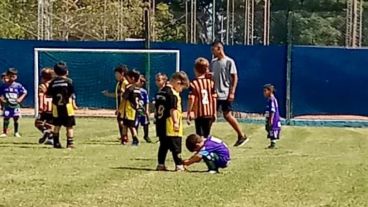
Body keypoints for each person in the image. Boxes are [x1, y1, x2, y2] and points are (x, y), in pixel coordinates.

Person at [210, 41, 249, 147]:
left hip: (225, 93)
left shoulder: (229, 62)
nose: (212, 52)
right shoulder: (213, 62)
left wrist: (232, 92)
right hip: (215, 94)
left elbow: (234, 77)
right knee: (210, 115)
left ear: (219, 48)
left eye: (213, 49)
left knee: (227, 115)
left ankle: (241, 135)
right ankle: (205, 137)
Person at [155, 71, 189, 171]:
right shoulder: (173, 94)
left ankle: (160, 164)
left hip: (160, 123)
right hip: (170, 124)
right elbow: (173, 109)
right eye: (182, 87)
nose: (181, 90)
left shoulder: (161, 91)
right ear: (178, 82)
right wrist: (176, 122)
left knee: (163, 145)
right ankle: (179, 165)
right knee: (176, 145)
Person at [47, 62, 77, 149]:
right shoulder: (68, 81)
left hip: (56, 107)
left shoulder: (53, 82)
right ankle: (70, 143)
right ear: (66, 72)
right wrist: (74, 104)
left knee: (57, 125)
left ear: (55, 73)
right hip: (67, 106)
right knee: (69, 126)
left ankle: (56, 142)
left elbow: (49, 94)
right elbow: (72, 93)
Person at [187, 57, 217, 138]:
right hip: (209, 112)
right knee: (207, 136)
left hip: (199, 114)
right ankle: (208, 149)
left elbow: (191, 98)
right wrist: (214, 112)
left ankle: (202, 150)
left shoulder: (193, 84)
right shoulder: (211, 83)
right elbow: (214, 98)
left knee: (199, 136)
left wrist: (189, 112)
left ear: (195, 70)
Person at [102, 65, 129, 143]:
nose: (116, 75)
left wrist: (120, 108)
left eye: (117, 74)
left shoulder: (125, 83)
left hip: (124, 107)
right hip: (120, 106)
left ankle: (125, 137)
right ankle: (123, 136)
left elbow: (125, 96)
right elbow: (118, 95)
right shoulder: (119, 83)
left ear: (122, 73)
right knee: (120, 121)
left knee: (123, 122)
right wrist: (108, 94)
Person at [0, 68, 27, 138]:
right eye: (11, 76)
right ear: (8, 76)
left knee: (16, 118)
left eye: (15, 75)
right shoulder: (4, 86)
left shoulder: (18, 85)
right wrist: (2, 100)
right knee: (6, 118)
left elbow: (24, 92)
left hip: (15, 105)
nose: (13, 77)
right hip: (7, 105)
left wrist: (20, 98)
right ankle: (4, 132)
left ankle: (16, 132)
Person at [119, 69, 142, 146]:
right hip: (135, 110)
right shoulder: (138, 89)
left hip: (129, 110)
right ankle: (124, 138)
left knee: (130, 126)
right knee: (126, 125)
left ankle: (135, 139)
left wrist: (120, 109)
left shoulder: (129, 88)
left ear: (132, 78)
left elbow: (124, 99)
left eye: (127, 77)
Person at [36, 68, 55, 145]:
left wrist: (40, 107)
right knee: (50, 124)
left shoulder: (42, 86)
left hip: (45, 107)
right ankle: (50, 138)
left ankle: (47, 133)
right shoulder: (54, 85)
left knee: (38, 123)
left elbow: (41, 96)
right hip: (53, 107)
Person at [263, 84, 281, 149]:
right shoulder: (269, 99)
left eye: (265, 91)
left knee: (272, 129)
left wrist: (271, 119)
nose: (264, 93)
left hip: (273, 118)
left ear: (270, 91)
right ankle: (272, 143)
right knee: (268, 128)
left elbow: (273, 110)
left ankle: (273, 143)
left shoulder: (272, 100)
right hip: (269, 117)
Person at [135, 75, 152, 143]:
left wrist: (147, 110)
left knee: (145, 123)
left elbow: (146, 101)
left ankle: (146, 136)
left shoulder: (144, 91)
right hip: (135, 110)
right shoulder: (133, 90)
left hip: (142, 110)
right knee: (135, 124)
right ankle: (135, 136)